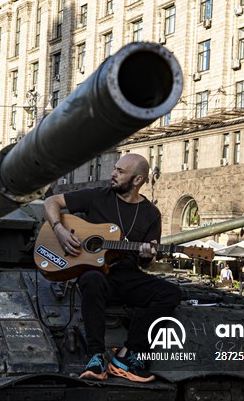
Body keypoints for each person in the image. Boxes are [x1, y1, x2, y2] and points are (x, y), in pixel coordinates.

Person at [42, 153, 181, 383]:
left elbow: (146, 261)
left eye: (120, 171)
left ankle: (127, 356)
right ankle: (96, 357)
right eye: (114, 169)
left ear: (137, 180)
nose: (112, 174)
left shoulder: (150, 214)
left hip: (126, 276)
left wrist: (148, 255)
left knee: (171, 293)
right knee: (92, 279)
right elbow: (51, 202)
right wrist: (59, 229)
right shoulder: (98, 196)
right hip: (96, 275)